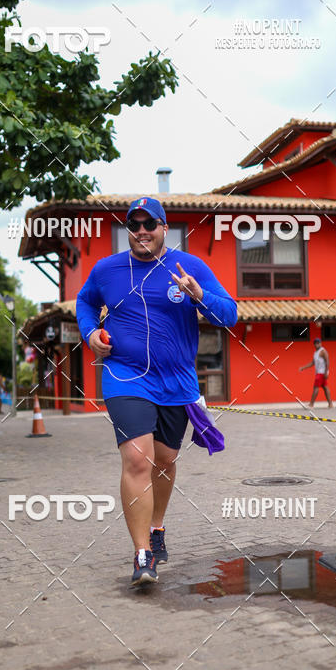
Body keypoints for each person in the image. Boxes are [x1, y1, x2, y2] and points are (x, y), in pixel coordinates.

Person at [76, 196, 237, 586]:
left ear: (165, 228)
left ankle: (157, 527)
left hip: (176, 382)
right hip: (125, 377)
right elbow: (84, 301)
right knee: (137, 460)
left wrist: (200, 296)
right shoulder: (106, 269)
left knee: (164, 461)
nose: (142, 231)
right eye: (134, 225)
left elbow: (229, 315)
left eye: (150, 224)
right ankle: (142, 553)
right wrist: (91, 332)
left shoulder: (190, 267)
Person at [299, 338, 333, 408]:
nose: (317, 344)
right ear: (314, 344)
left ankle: (311, 404)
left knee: (316, 387)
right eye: (315, 343)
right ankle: (330, 404)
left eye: (318, 343)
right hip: (319, 372)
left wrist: (326, 372)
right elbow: (313, 363)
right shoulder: (315, 353)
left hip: (322, 373)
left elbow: (327, 361)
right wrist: (303, 367)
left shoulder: (323, 351)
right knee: (325, 387)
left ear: (321, 343)